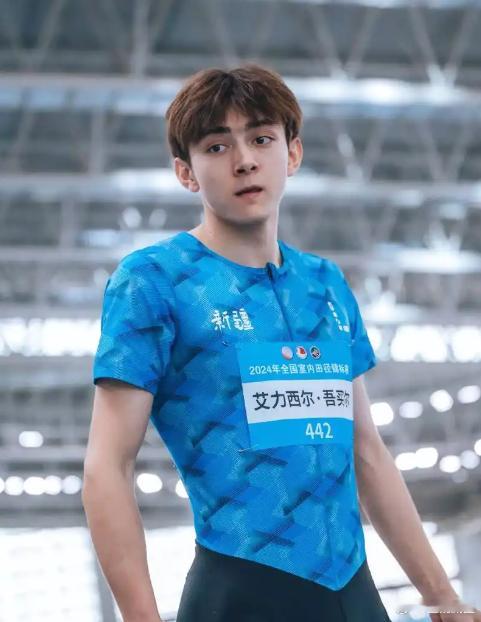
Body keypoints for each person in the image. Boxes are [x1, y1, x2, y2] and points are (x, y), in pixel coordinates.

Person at [82, 65, 479, 622]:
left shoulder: (325, 284)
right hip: (240, 592)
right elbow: (107, 467)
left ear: (292, 153)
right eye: (217, 146)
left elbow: (366, 449)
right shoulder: (153, 281)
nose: (244, 160)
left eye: (262, 139)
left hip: (353, 591)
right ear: (185, 172)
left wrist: (443, 597)